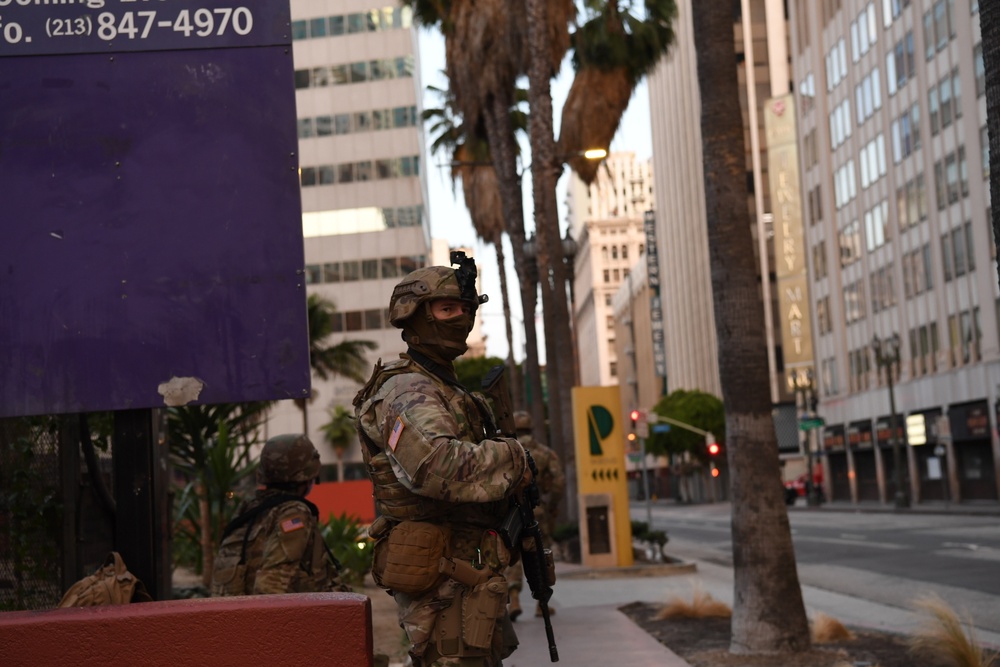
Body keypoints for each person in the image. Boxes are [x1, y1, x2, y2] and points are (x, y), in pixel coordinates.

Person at [354, 259, 531, 667]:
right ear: (413, 314)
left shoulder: (442, 386)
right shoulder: (407, 388)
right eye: (446, 308)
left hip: (466, 576)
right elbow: (437, 466)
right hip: (442, 582)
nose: (461, 317)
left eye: (466, 309)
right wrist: (515, 457)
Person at [211, 433, 350, 596]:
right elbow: (272, 587)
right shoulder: (293, 513)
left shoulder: (248, 510)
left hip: (235, 616)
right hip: (276, 617)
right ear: (308, 475)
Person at [504, 411, 564, 621]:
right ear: (531, 428)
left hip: (511, 512)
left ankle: (515, 599)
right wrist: (551, 505)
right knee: (541, 553)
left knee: (514, 555)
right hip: (537, 511)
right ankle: (542, 604)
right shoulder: (545, 453)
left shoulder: (506, 452)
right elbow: (558, 483)